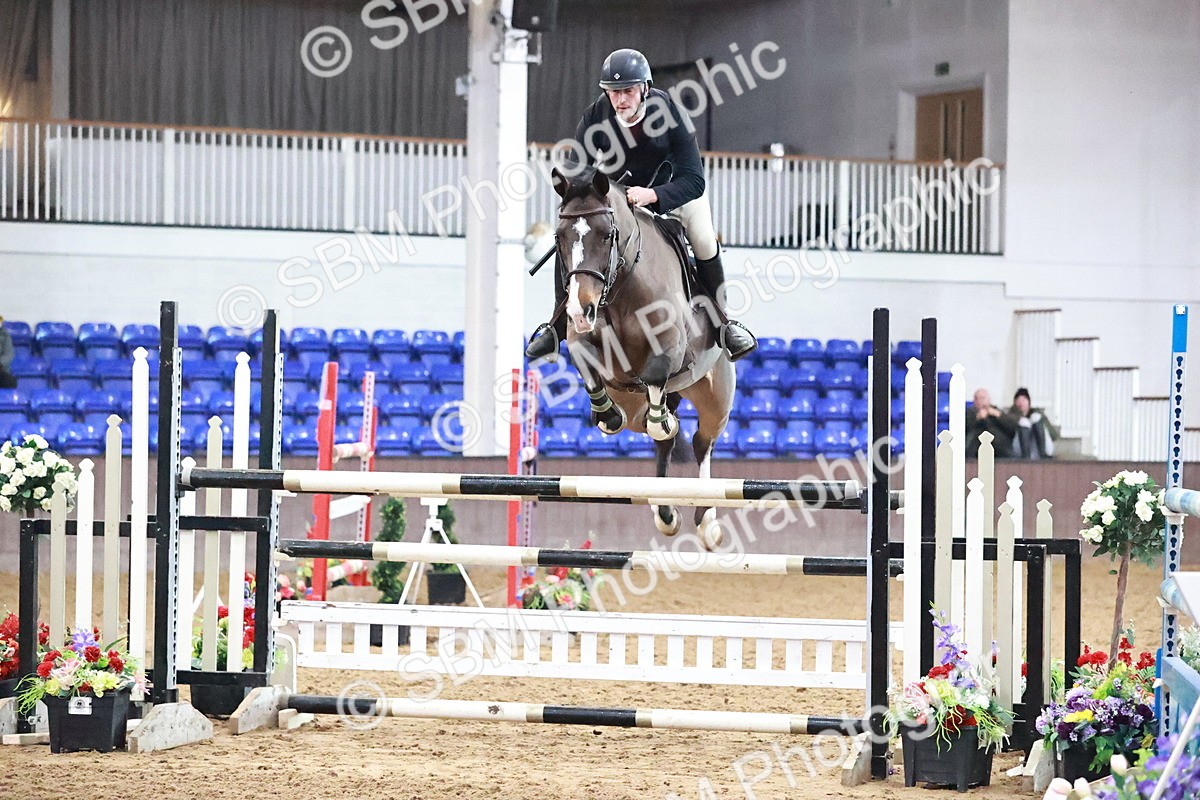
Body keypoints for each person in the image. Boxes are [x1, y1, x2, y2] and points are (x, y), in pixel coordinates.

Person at [524, 48, 757, 363]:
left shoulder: (671, 115)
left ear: (645, 89)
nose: (621, 100)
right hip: (621, 198)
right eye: (614, 92)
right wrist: (581, 198)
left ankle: (723, 324)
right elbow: (578, 169)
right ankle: (556, 325)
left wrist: (654, 195)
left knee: (703, 238)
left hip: (674, 192)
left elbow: (694, 180)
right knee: (573, 234)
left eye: (628, 91)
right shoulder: (596, 116)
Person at [1006, 387, 1058, 459]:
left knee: (1035, 417)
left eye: (1024, 400)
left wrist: (1039, 422)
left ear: (1029, 402)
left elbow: (1054, 435)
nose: (1021, 403)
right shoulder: (1010, 415)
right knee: (1024, 422)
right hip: (1020, 450)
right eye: (1018, 400)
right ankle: (1026, 457)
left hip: (1040, 449)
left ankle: (1043, 454)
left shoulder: (1037, 413)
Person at [965, 388, 1017, 459]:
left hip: (1000, 449)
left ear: (989, 400)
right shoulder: (969, 413)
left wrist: (999, 415)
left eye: (982, 398)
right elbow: (965, 428)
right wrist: (977, 417)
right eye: (976, 398)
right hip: (976, 448)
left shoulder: (997, 412)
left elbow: (1012, 428)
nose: (979, 401)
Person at [0, 317, 16, 389]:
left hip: (1, 370)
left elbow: (9, 354)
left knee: (10, 382)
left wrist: (0, 363)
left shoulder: (5, 336)